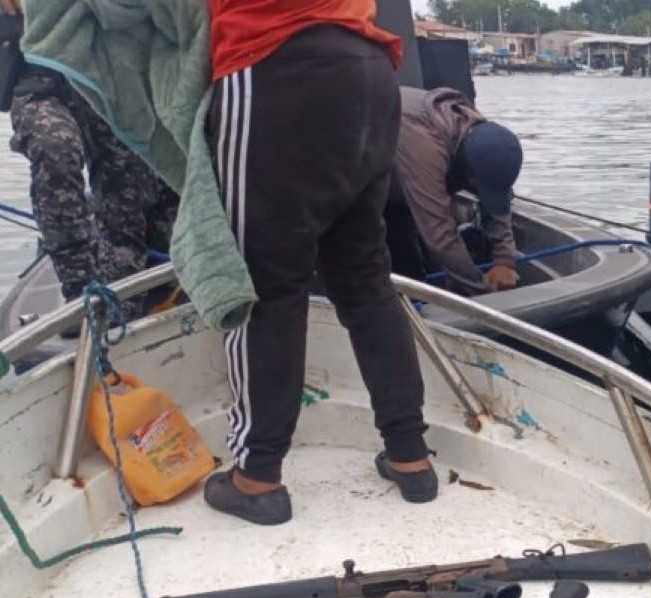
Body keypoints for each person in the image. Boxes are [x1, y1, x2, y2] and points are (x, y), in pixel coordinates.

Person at [201, 1, 436, 526]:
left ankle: (256, 476)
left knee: (265, 284)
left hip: (275, 60)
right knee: (365, 279)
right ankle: (409, 456)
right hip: (369, 67)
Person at [6, 55, 177, 314]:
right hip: (40, 81)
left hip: (108, 80)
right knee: (55, 148)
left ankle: (133, 292)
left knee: (127, 194)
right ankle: (80, 292)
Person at [387, 85, 523, 295]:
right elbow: (439, 234)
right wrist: (482, 294)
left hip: (398, 180)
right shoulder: (424, 145)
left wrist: (505, 259)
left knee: (414, 263)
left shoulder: (480, 135)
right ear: (467, 172)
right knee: (397, 266)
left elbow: (498, 196)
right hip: (350, 180)